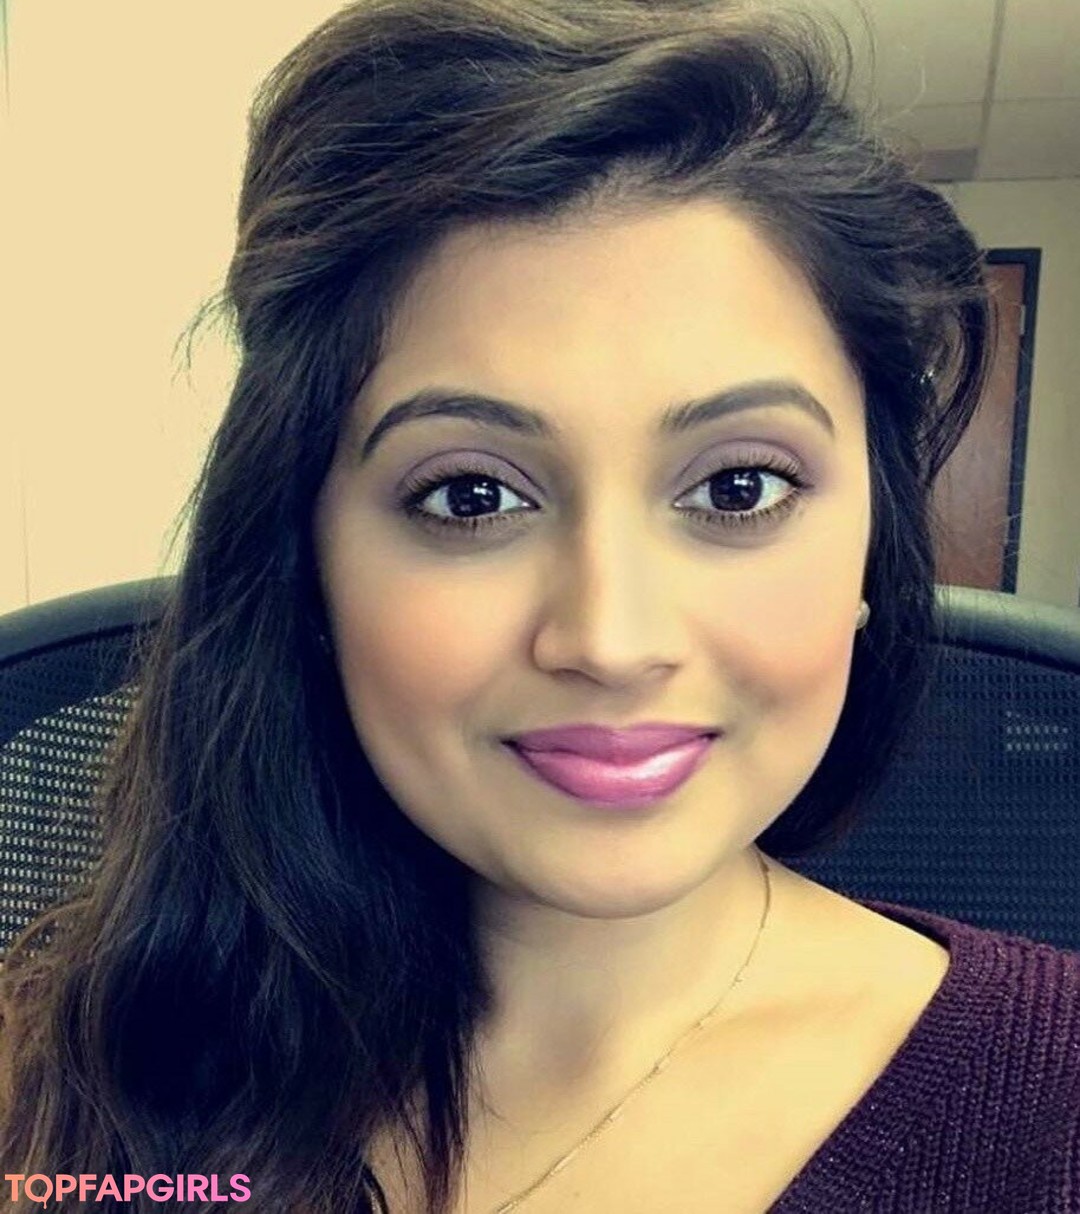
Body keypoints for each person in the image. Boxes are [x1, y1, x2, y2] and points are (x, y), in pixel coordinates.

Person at [1, 2, 1078, 1211]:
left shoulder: (1058, 1105)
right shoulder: (61, 1066)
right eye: (471, 495)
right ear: (307, 560)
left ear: (873, 547)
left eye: (738, 486)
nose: (611, 641)